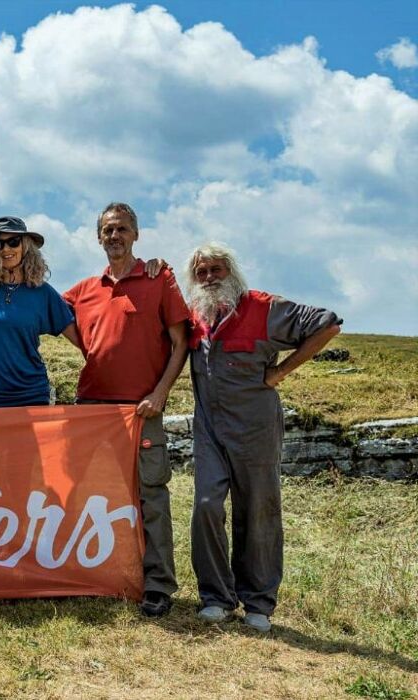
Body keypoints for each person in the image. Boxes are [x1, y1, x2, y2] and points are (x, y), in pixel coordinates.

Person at [184, 242, 341, 633]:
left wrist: (281, 371)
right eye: (201, 272)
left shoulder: (264, 308)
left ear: (231, 272)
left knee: (257, 511)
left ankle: (258, 602)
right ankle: (217, 597)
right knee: (205, 504)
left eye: (215, 270)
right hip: (209, 427)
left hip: (255, 429)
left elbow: (328, 324)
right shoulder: (195, 317)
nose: (207, 278)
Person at [62, 202, 190, 618]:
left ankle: (157, 585)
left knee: (151, 495)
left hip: (141, 412)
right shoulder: (83, 290)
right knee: (93, 496)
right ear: (98, 238)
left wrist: (161, 393)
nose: (114, 236)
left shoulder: (160, 278)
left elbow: (180, 342)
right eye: (107, 230)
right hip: (92, 411)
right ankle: (98, 575)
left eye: (121, 229)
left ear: (135, 234)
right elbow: (40, 306)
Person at [0, 216, 78, 407]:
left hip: (31, 395)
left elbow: (78, 338)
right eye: (0, 244)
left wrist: (105, 368)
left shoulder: (42, 292)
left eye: (13, 242)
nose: (6, 249)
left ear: (25, 247)